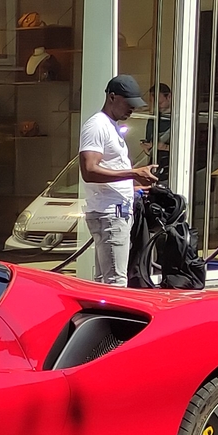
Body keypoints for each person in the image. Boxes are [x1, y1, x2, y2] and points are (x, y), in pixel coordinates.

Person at [75, 74, 159, 285]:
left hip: (114, 212)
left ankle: (104, 316)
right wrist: (133, 173)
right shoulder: (97, 126)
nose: (132, 108)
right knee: (115, 282)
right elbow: (89, 170)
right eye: (128, 103)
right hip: (109, 214)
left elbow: (107, 170)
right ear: (112, 97)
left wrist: (136, 186)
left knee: (107, 279)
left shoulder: (110, 125)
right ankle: (112, 318)